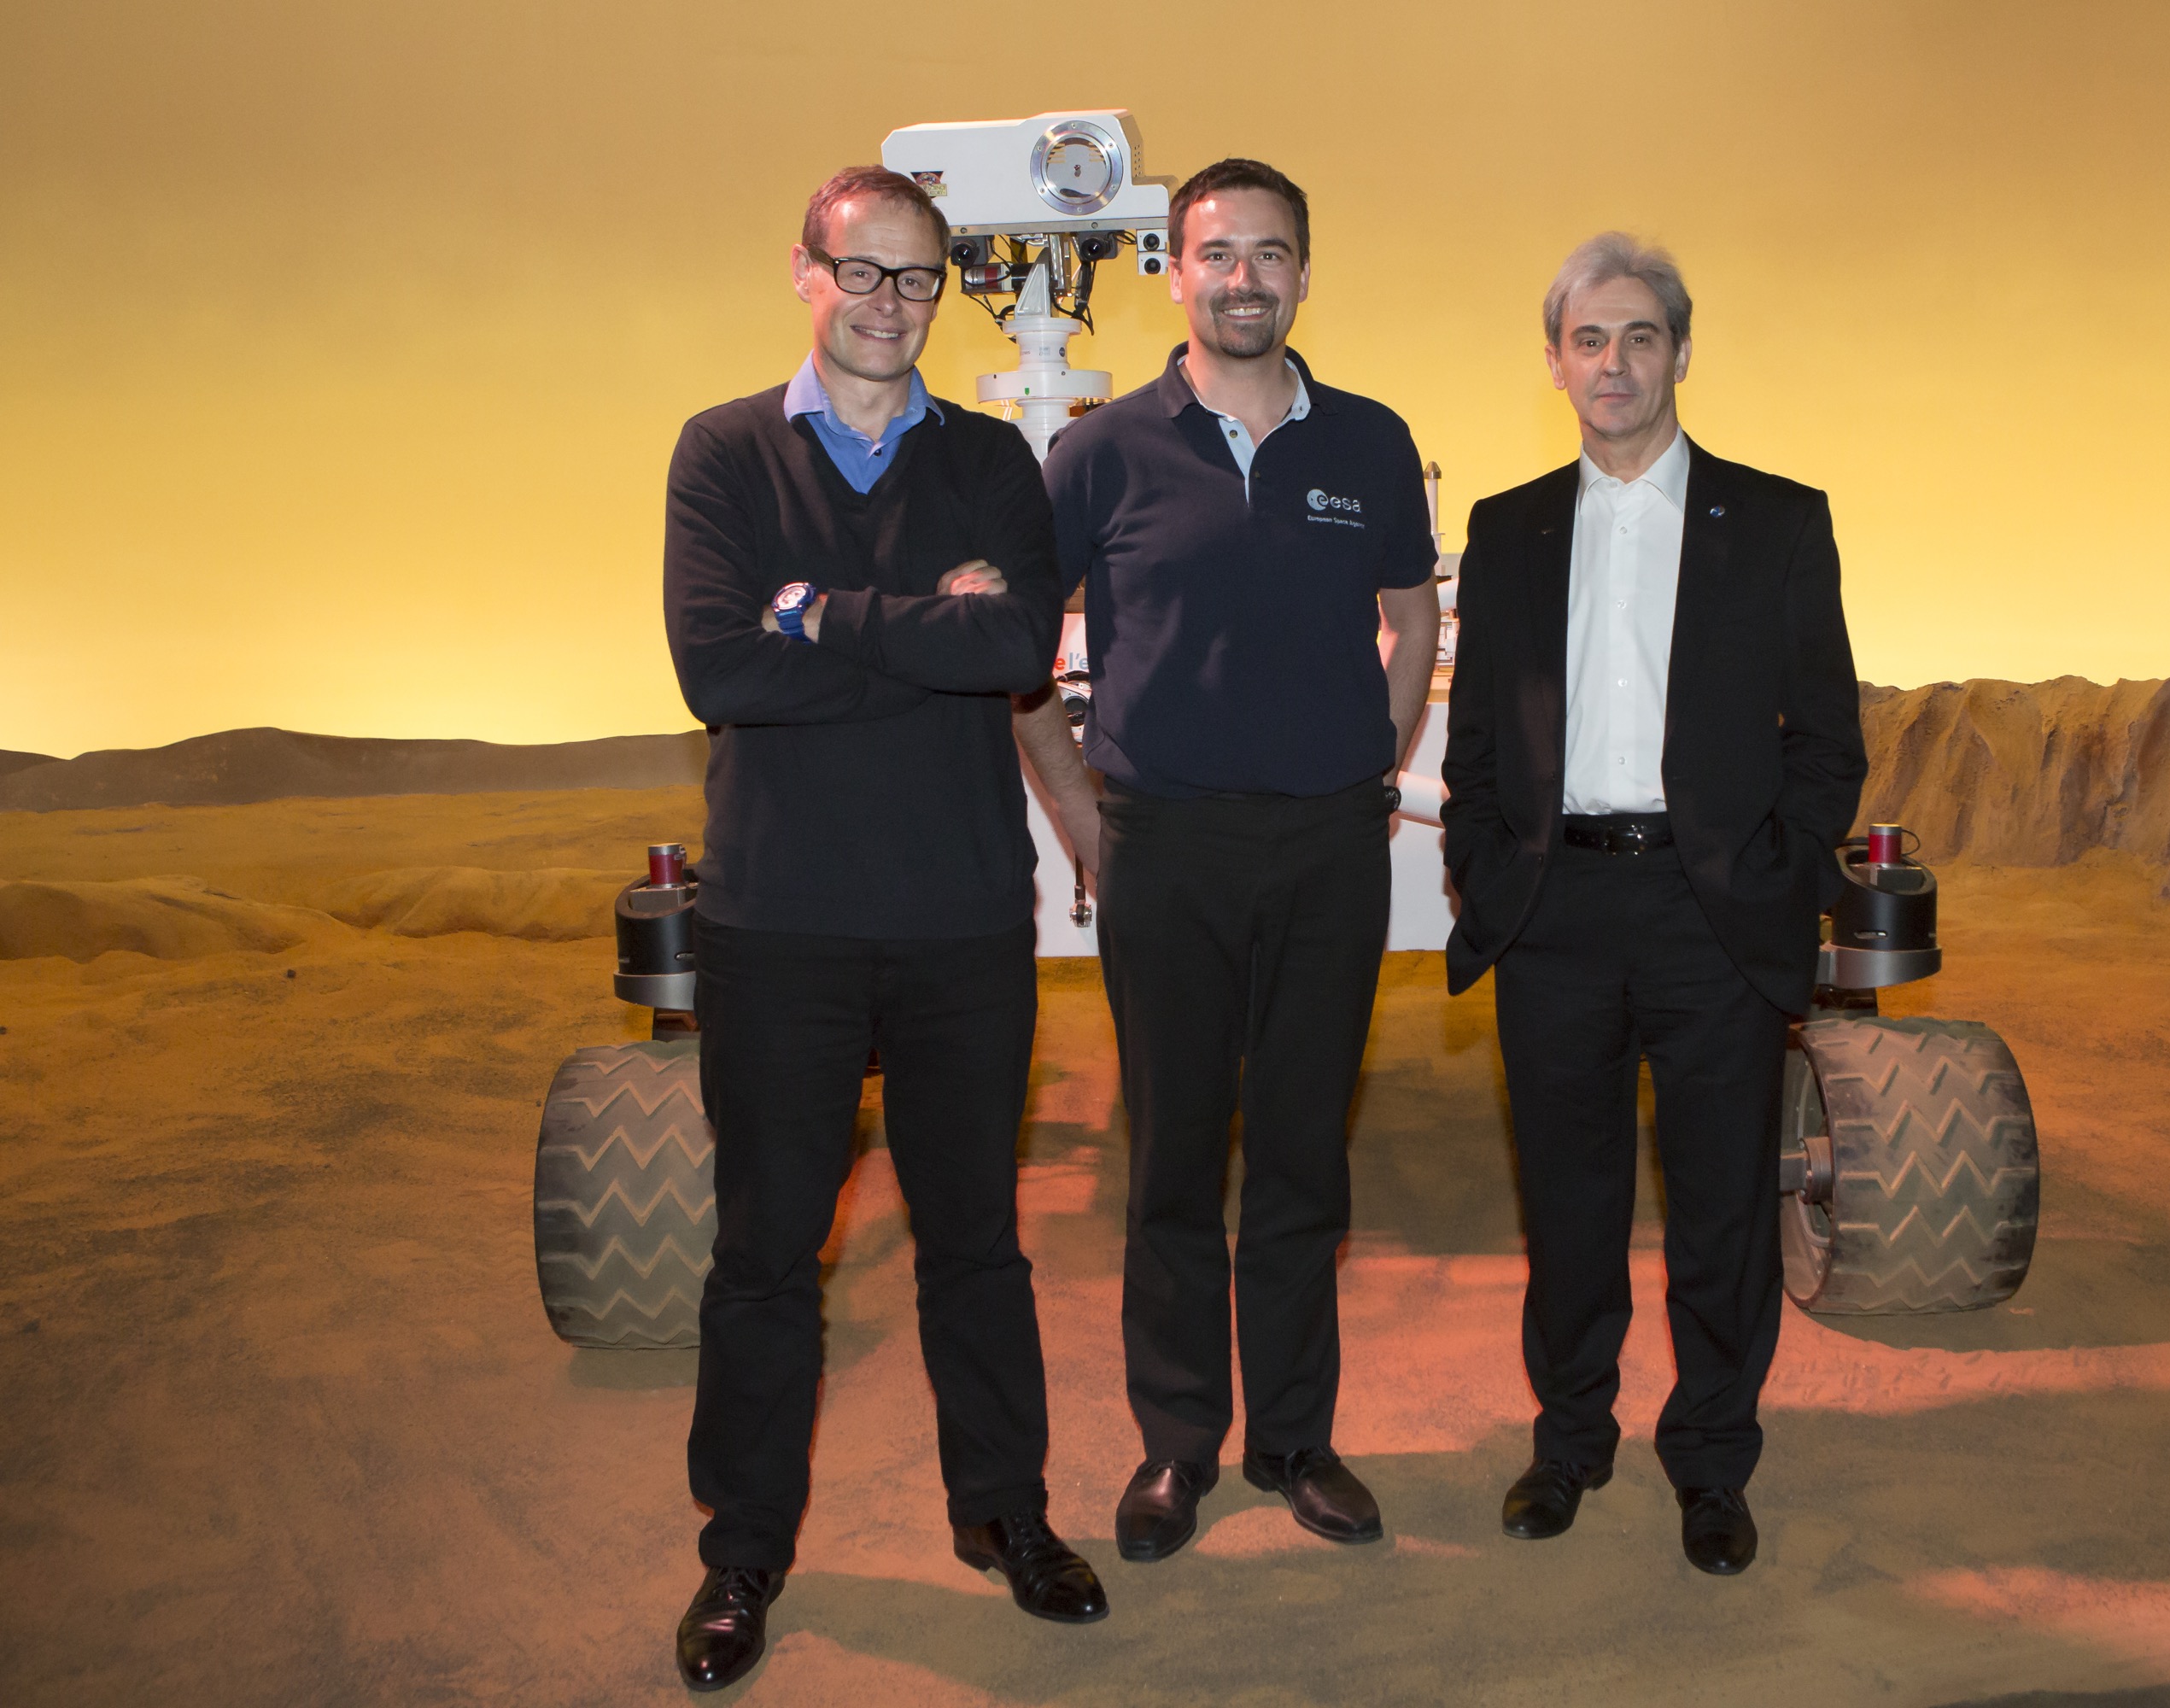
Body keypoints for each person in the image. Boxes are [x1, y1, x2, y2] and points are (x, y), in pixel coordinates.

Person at [660, 164, 1106, 1694]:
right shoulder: (723, 454)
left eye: (919, 280)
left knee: (976, 1246)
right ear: (805, 273)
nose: (891, 304)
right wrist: (925, 626)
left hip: (958, 924)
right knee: (768, 1256)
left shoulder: (991, 460)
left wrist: (820, 612)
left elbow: (1011, 643)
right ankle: (744, 1554)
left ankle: (1007, 1516)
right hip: (778, 924)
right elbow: (719, 672)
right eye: (864, 274)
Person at [1017, 159, 1442, 1562]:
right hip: (1167, 847)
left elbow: (1410, 615)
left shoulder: (1372, 445)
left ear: (1304, 275)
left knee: (1305, 1161)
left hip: (1328, 850)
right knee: (1176, 1162)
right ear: (1176, 272)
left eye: (1270, 254)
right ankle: (1178, 1447)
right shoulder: (1100, 454)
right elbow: (1020, 655)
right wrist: (1086, 822)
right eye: (1216, 252)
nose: (1243, 277)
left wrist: (1374, 769)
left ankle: (1297, 1443)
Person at [1438, 233, 1867, 1576]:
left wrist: (1775, 873)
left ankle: (1712, 1463)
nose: (1612, 364)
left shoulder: (1780, 519)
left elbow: (1829, 740)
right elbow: (1478, 749)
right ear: (1555, 360)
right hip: (1553, 913)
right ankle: (1569, 1446)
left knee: (1722, 1210)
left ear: (1682, 352)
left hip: (1711, 916)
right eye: (1587, 340)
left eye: (1638, 338)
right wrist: (1490, 859)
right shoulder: (1507, 531)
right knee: (1565, 1204)